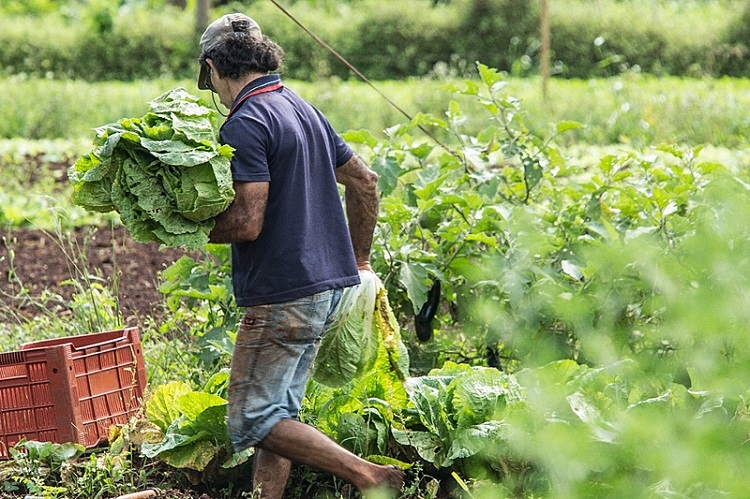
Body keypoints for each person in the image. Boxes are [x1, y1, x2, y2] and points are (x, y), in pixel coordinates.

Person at [197, 12, 405, 499]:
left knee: (250, 418)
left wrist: (186, 227)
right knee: (279, 414)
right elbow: (366, 181)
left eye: (210, 81)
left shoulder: (246, 122)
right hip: (325, 290)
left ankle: (372, 477)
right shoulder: (299, 107)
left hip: (282, 294)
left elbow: (248, 222)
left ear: (213, 68)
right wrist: (360, 260)